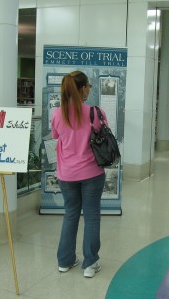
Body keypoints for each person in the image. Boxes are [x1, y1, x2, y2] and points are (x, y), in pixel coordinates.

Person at [51, 70, 106, 278]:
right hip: (92, 172)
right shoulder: (95, 112)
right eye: (89, 85)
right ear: (83, 88)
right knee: (92, 217)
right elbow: (104, 136)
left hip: (66, 174)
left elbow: (57, 136)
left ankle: (65, 261)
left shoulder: (57, 114)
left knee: (70, 214)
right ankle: (90, 264)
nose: (90, 88)